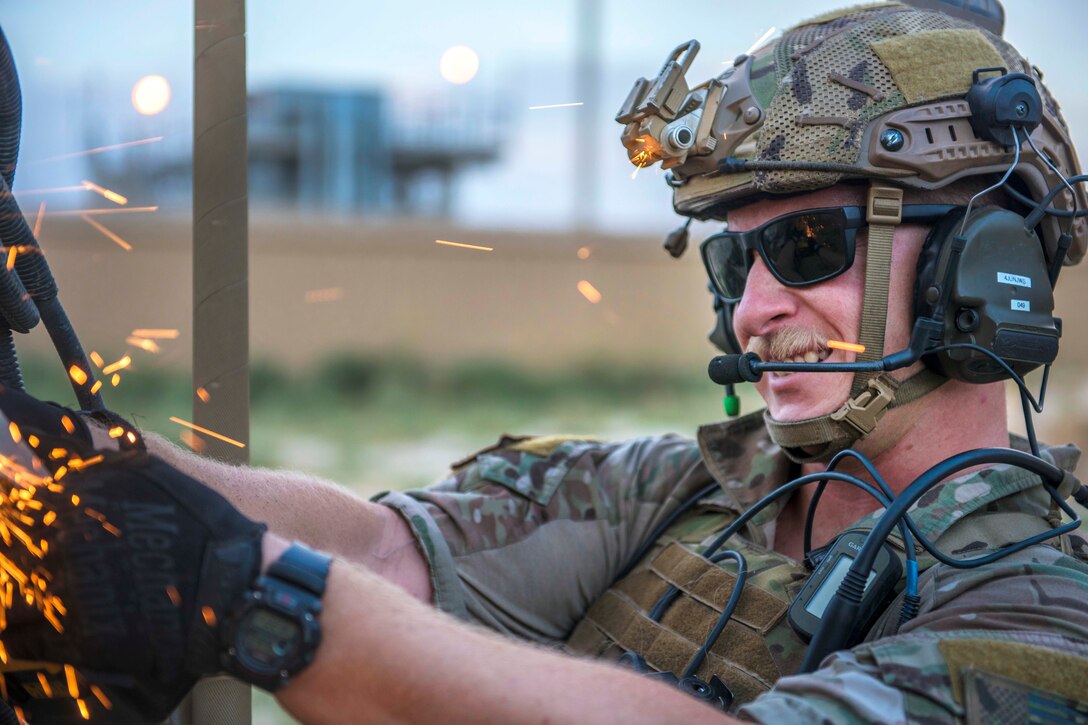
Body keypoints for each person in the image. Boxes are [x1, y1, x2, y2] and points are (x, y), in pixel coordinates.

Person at [2, 2, 1088, 723]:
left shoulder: (1048, 608)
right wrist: (50, 462)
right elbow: (383, 550)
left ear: (977, 266)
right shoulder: (690, 486)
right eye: (735, 257)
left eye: (809, 248)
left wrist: (256, 599)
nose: (754, 309)